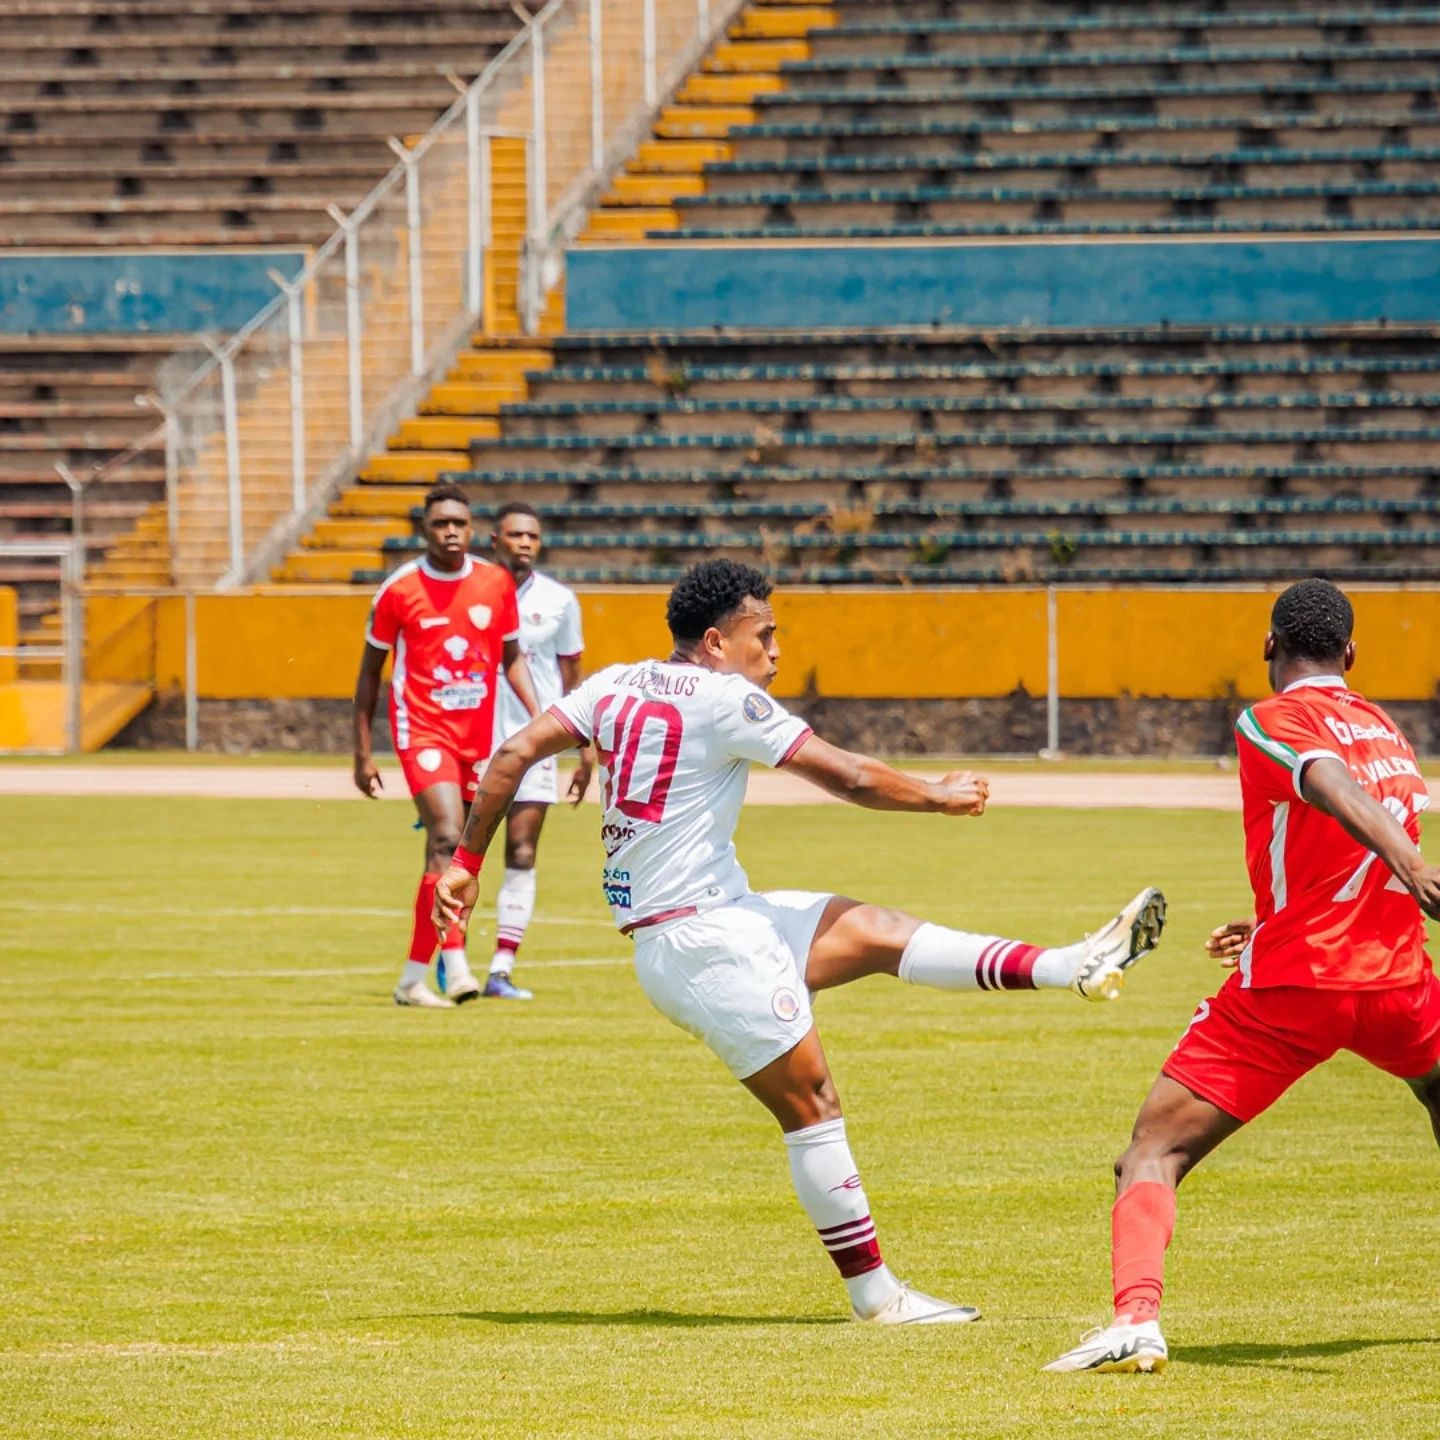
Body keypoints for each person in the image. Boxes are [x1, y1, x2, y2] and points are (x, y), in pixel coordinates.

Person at [434, 558, 1167, 1322]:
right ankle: (878, 1299)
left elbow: (514, 753)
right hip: (702, 940)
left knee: (877, 932)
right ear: (717, 641)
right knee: (813, 1105)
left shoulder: (614, 682)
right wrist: (938, 797)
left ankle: (1073, 966)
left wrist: (464, 864)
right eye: (766, 634)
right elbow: (847, 776)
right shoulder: (727, 700)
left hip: (722, 913)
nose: (776, 651)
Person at [1046, 578, 1440, 1375]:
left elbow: (1330, 787)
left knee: (1152, 1150)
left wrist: (1410, 865)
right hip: (1399, 985)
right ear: (1352, 653)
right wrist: (1270, 919)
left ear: (1269, 646)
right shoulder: (1383, 726)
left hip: (1298, 989)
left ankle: (1135, 1321)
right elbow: (1344, 856)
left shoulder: (1272, 717)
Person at [353, 482, 540, 1009]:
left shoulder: (495, 583)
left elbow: (511, 658)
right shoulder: (399, 590)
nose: (451, 532)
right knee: (447, 833)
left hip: (477, 739)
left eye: (458, 523)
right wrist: (363, 751)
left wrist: (540, 714)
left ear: (472, 528)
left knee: (455, 853)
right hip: (423, 732)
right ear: (425, 529)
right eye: (440, 524)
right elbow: (369, 675)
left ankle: (413, 977)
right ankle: (455, 964)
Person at [476, 501, 593, 1001]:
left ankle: (501, 968)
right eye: (515, 535)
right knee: (455, 849)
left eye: (533, 536)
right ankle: (450, 961)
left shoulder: (560, 601)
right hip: (473, 737)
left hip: (534, 740)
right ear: (495, 541)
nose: (525, 543)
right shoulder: (471, 591)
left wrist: (585, 753)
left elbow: (572, 679)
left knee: (521, 850)